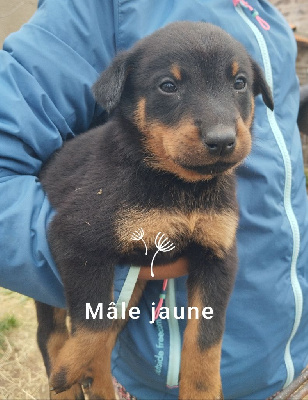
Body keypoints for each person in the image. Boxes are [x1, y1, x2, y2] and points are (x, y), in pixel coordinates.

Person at [1, 1, 308, 398]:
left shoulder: (268, 17)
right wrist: (117, 282)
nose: (220, 130)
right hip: (150, 381)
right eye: (169, 86)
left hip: (295, 364)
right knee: (57, 329)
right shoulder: (98, 9)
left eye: (237, 84)